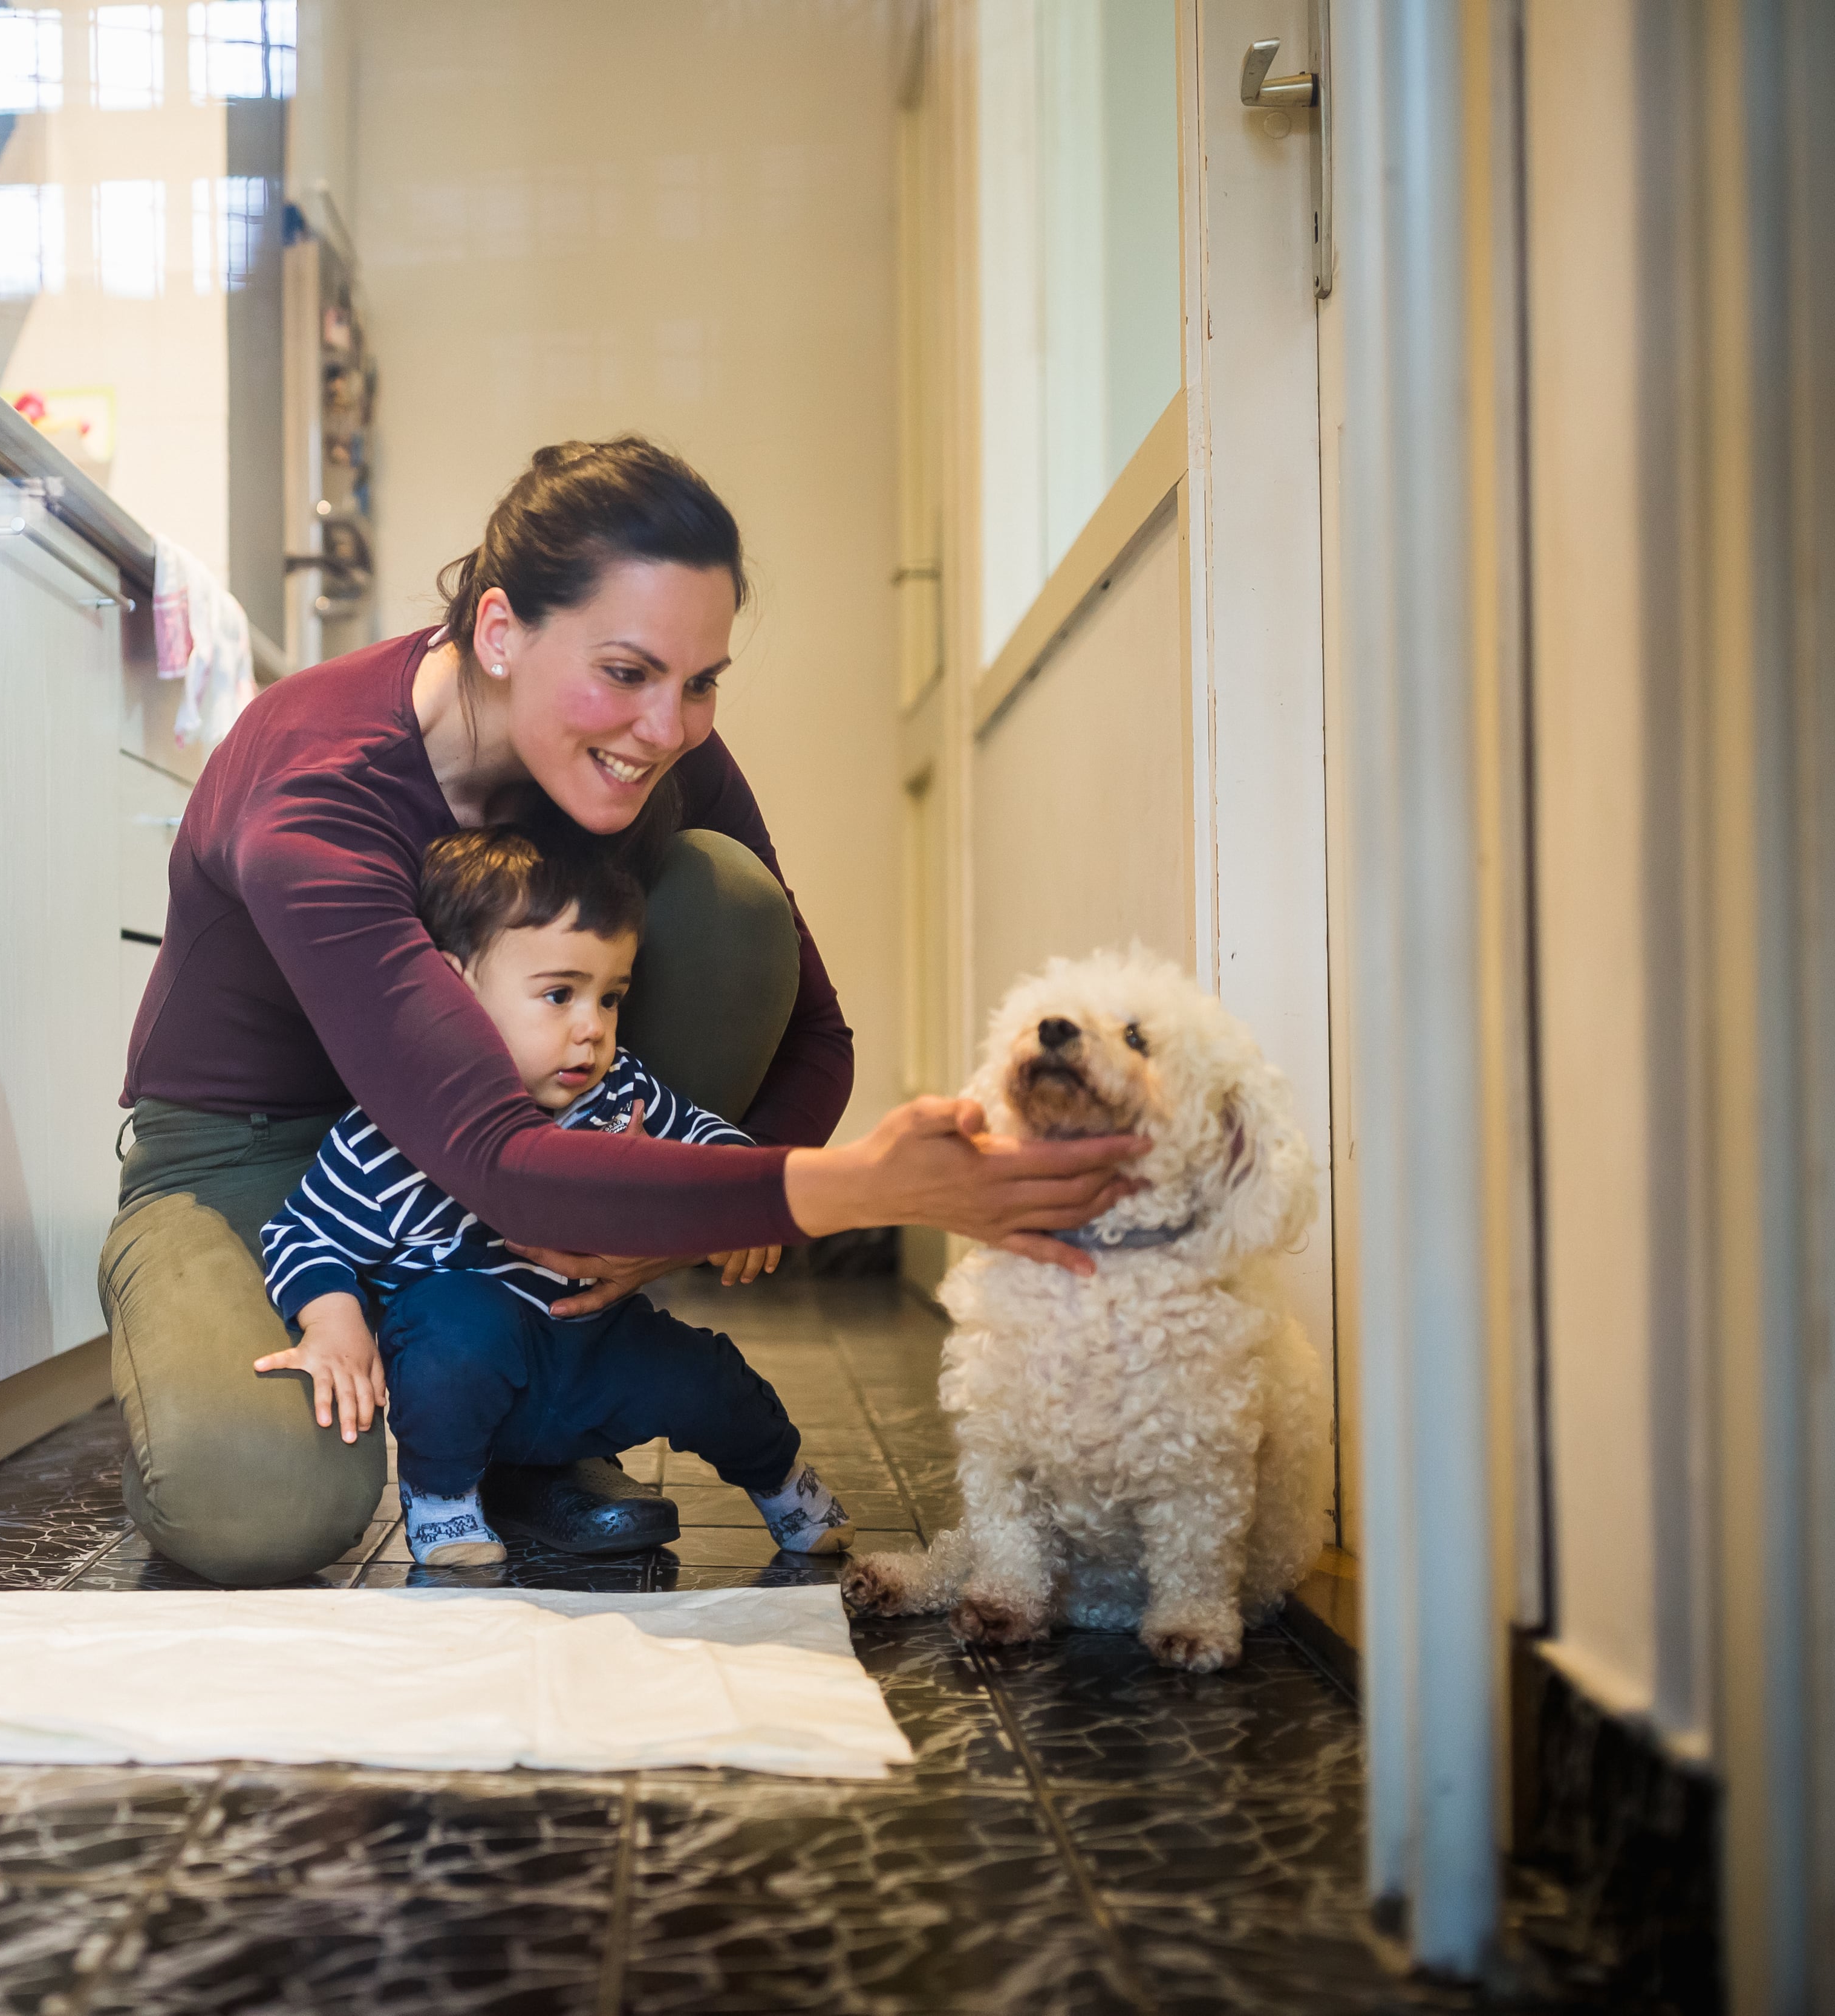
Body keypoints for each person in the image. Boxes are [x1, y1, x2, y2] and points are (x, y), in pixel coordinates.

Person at [105, 436, 1142, 1587]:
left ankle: (525, 1419)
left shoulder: (654, 751)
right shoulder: (318, 786)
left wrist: (679, 1217)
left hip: (527, 1130)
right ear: (498, 631)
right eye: (630, 671)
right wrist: (864, 1188)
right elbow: (497, 1159)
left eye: (703, 681)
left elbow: (812, 1033)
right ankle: (242, 1330)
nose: (668, 726)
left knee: (721, 896)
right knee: (257, 1504)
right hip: (264, 1152)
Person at [255, 825, 853, 1568]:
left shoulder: (618, 1089)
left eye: (610, 999)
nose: (591, 1029)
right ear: (452, 989)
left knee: (710, 1375)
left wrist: (745, 1196)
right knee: (452, 1327)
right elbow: (300, 1234)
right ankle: (443, 1502)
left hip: (593, 1348)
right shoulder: (388, 1129)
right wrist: (333, 1321)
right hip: (471, 1378)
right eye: (559, 995)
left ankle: (787, 1489)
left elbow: (705, 1137)